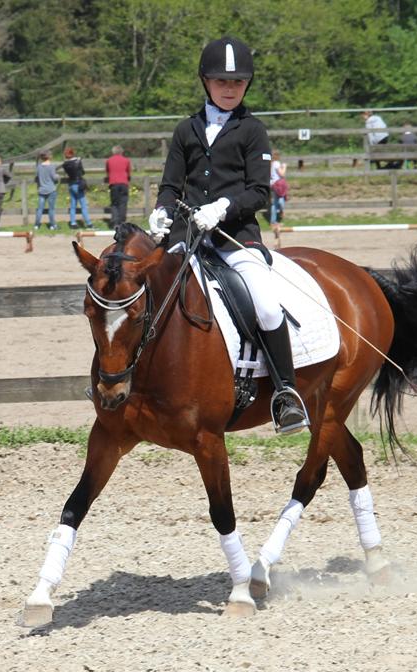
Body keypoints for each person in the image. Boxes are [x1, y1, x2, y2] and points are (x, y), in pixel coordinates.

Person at [148, 36, 307, 434]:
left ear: (246, 85)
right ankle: (125, 380)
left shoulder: (253, 131)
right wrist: (162, 212)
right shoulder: (186, 129)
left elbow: (258, 190)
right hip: (187, 238)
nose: (229, 88)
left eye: (237, 83)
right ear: (205, 81)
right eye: (221, 81)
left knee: (268, 307)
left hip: (236, 237)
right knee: (141, 293)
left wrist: (222, 207)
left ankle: (286, 394)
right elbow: (171, 185)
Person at [62, 147, 93, 228]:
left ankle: (73, 223)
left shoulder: (65, 164)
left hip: (71, 184)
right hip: (78, 184)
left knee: (73, 205)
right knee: (83, 205)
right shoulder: (77, 162)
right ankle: (89, 223)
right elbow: (82, 172)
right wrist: (79, 161)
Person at [105, 145, 131, 227]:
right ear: (121, 152)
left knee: (114, 204)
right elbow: (129, 172)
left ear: (113, 152)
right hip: (124, 183)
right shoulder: (126, 160)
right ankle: (122, 221)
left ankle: (115, 222)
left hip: (114, 183)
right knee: (123, 203)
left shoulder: (109, 160)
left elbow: (108, 171)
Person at [33, 151, 58, 230]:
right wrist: (58, 176)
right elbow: (54, 177)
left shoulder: (39, 167)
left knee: (40, 208)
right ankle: (52, 225)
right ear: (49, 157)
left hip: (41, 189)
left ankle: (36, 225)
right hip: (51, 189)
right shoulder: (52, 166)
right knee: (51, 209)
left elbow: (37, 177)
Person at [269, 150, 288, 226]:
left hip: (273, 184)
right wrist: (284, 167)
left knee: (275, 204)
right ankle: (281, 212)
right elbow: (282, 174)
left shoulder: (271, 163)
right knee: (280, 201)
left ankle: (273, 221)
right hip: (278, 185)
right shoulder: (276, 163)